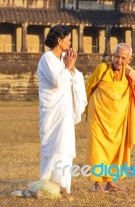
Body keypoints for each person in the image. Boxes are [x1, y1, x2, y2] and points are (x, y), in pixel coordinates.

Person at [85, 43, 135, 192]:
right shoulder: (102, 69)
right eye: (116, 56)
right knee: (97, 150)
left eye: (123, 58)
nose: (118, 60)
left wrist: (134, 81)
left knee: (116, 151)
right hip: (98, 119)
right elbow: (89, 88)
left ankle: (111, 183)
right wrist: (88, 110)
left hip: (118, 121)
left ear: (129, 59)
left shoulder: (130, 74)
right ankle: (98, 184)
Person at [37, 24, 87, 197]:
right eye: (69, 40)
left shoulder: (62, 59)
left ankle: (64, 187)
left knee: (64, 148)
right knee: (51, 148)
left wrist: (71, 67)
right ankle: (46, 184)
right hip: (52, 113)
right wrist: (68, 67)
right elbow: (57, 83)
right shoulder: (47, 58)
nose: (71, 43)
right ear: (59, 40)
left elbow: (75, 79)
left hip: (64, 113)